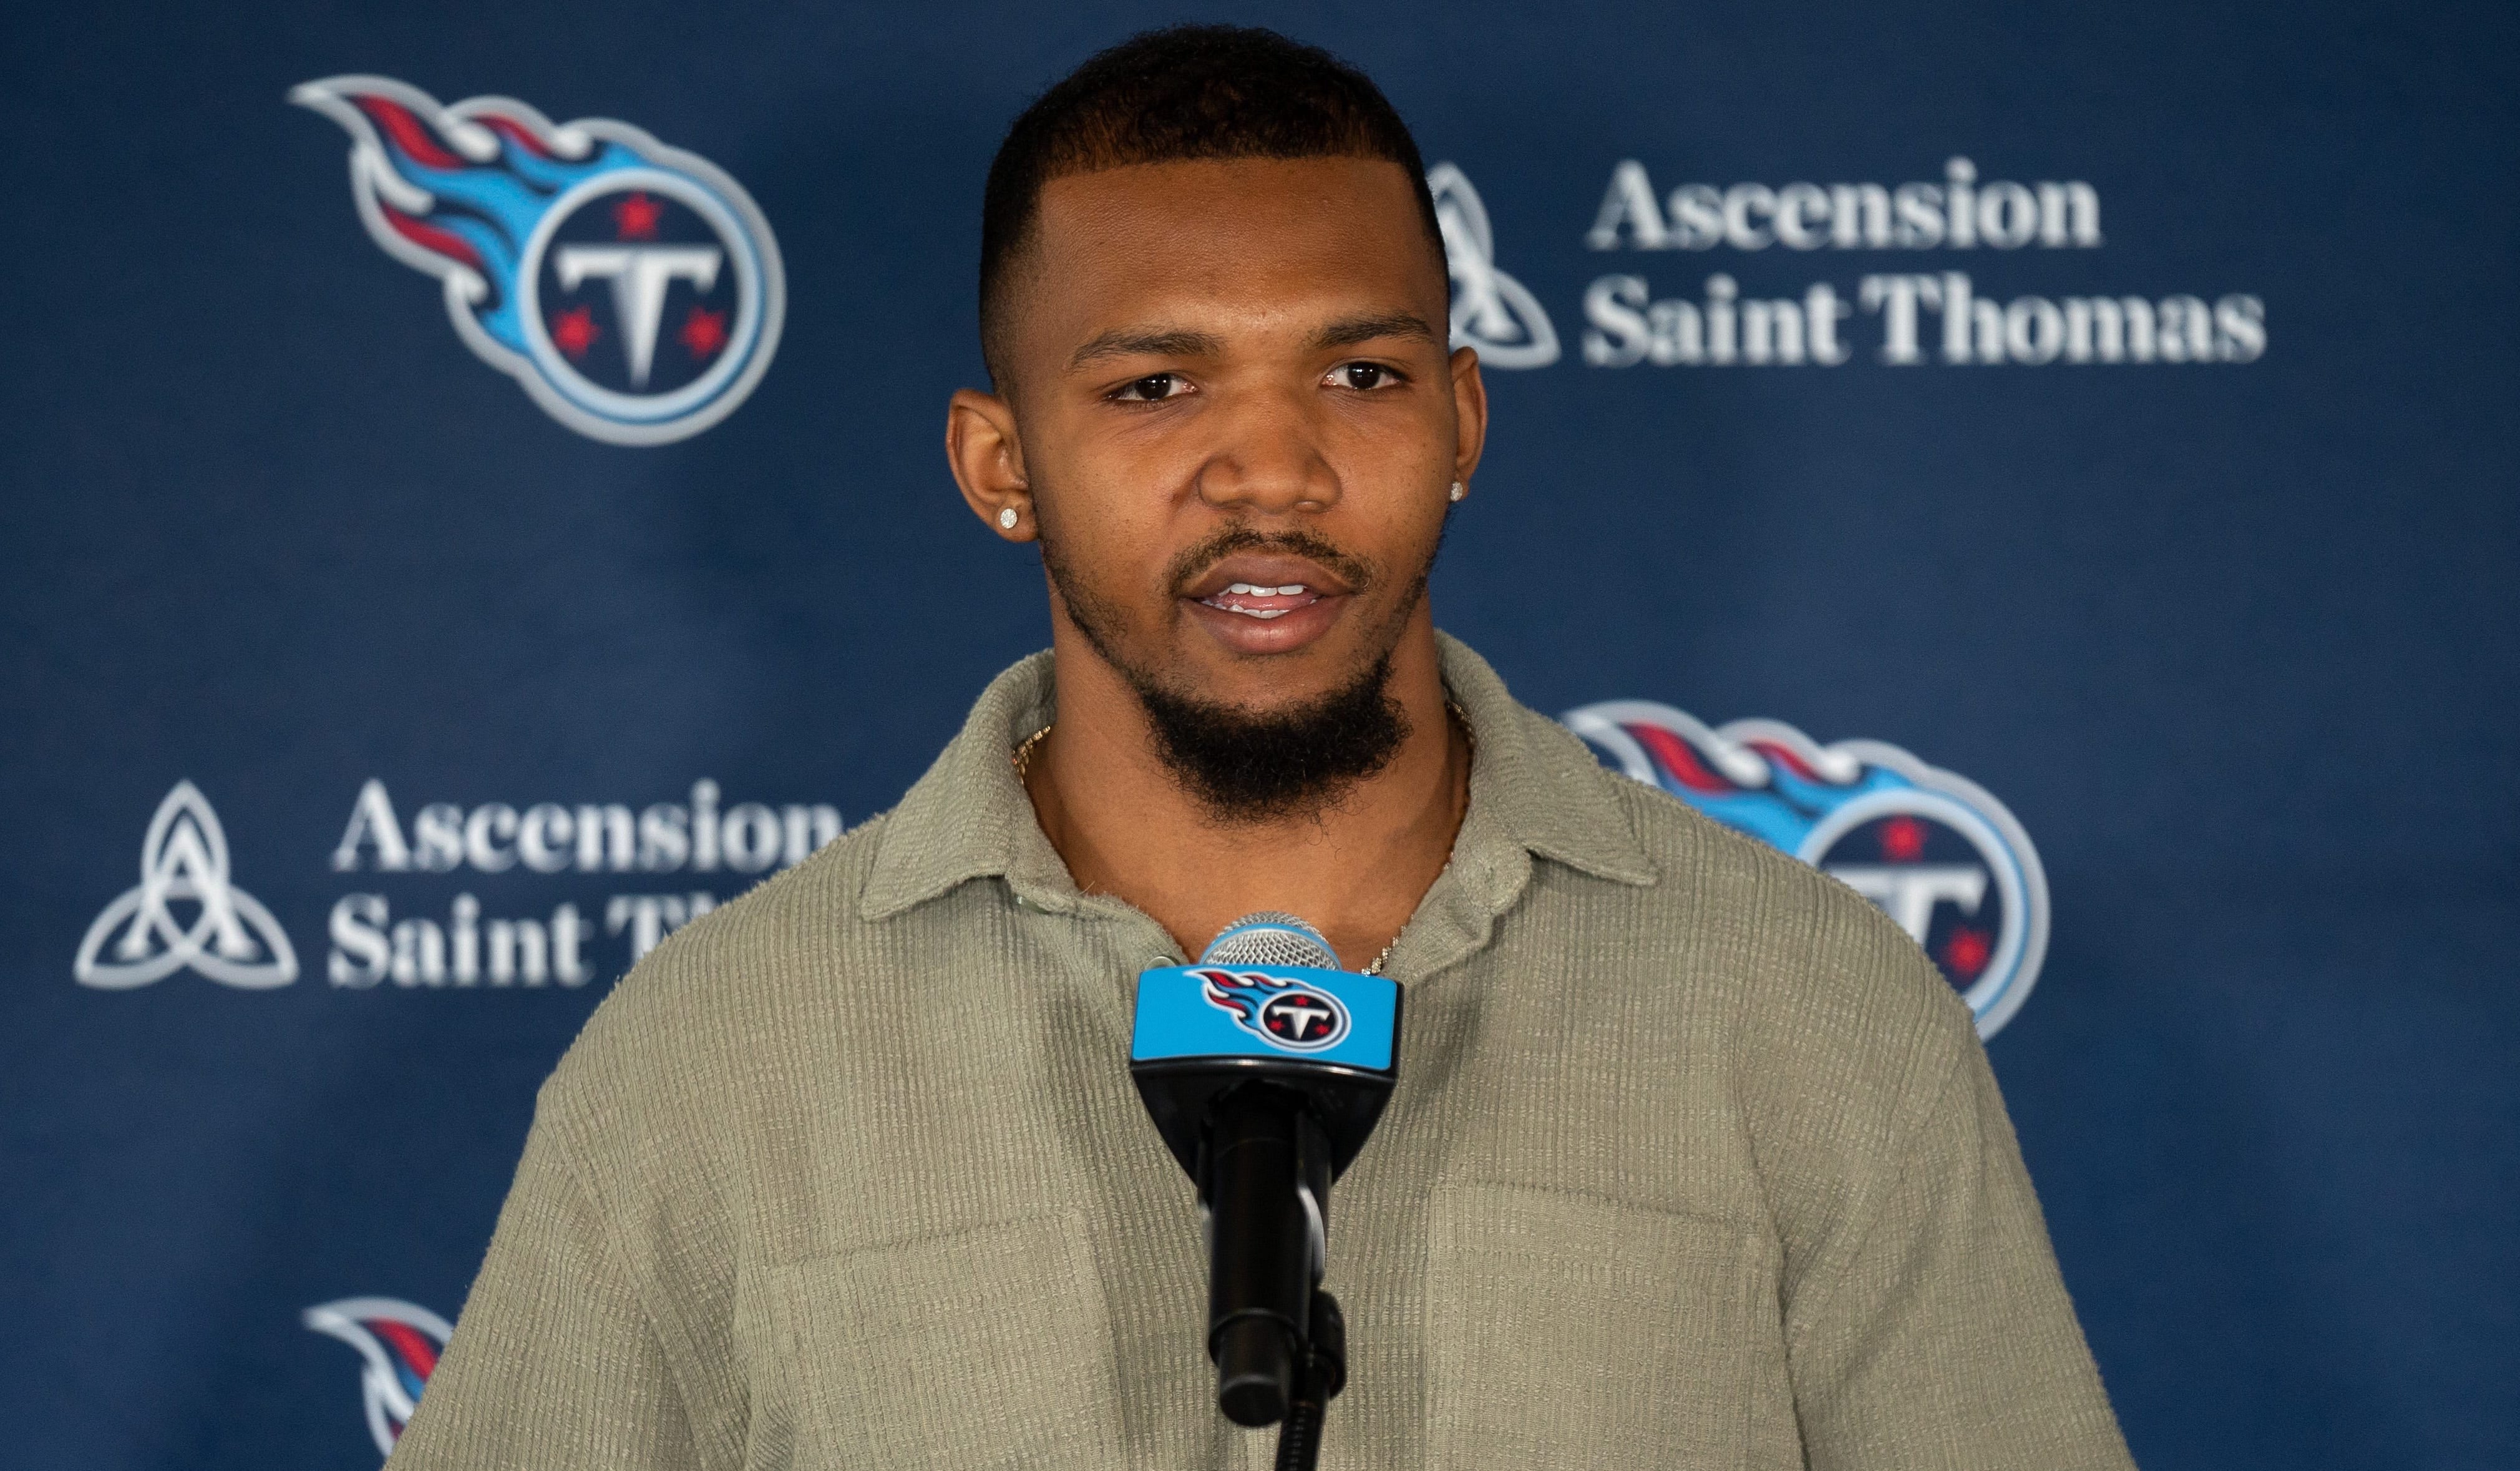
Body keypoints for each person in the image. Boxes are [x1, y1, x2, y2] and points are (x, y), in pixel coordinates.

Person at [389, 24, 2136, 1470]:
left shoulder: (1810, 1011)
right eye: (1156, 388)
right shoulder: (712, 1065)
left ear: (1461, 419)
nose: (1272, 471)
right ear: (1002, 465)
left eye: (1359, 378)